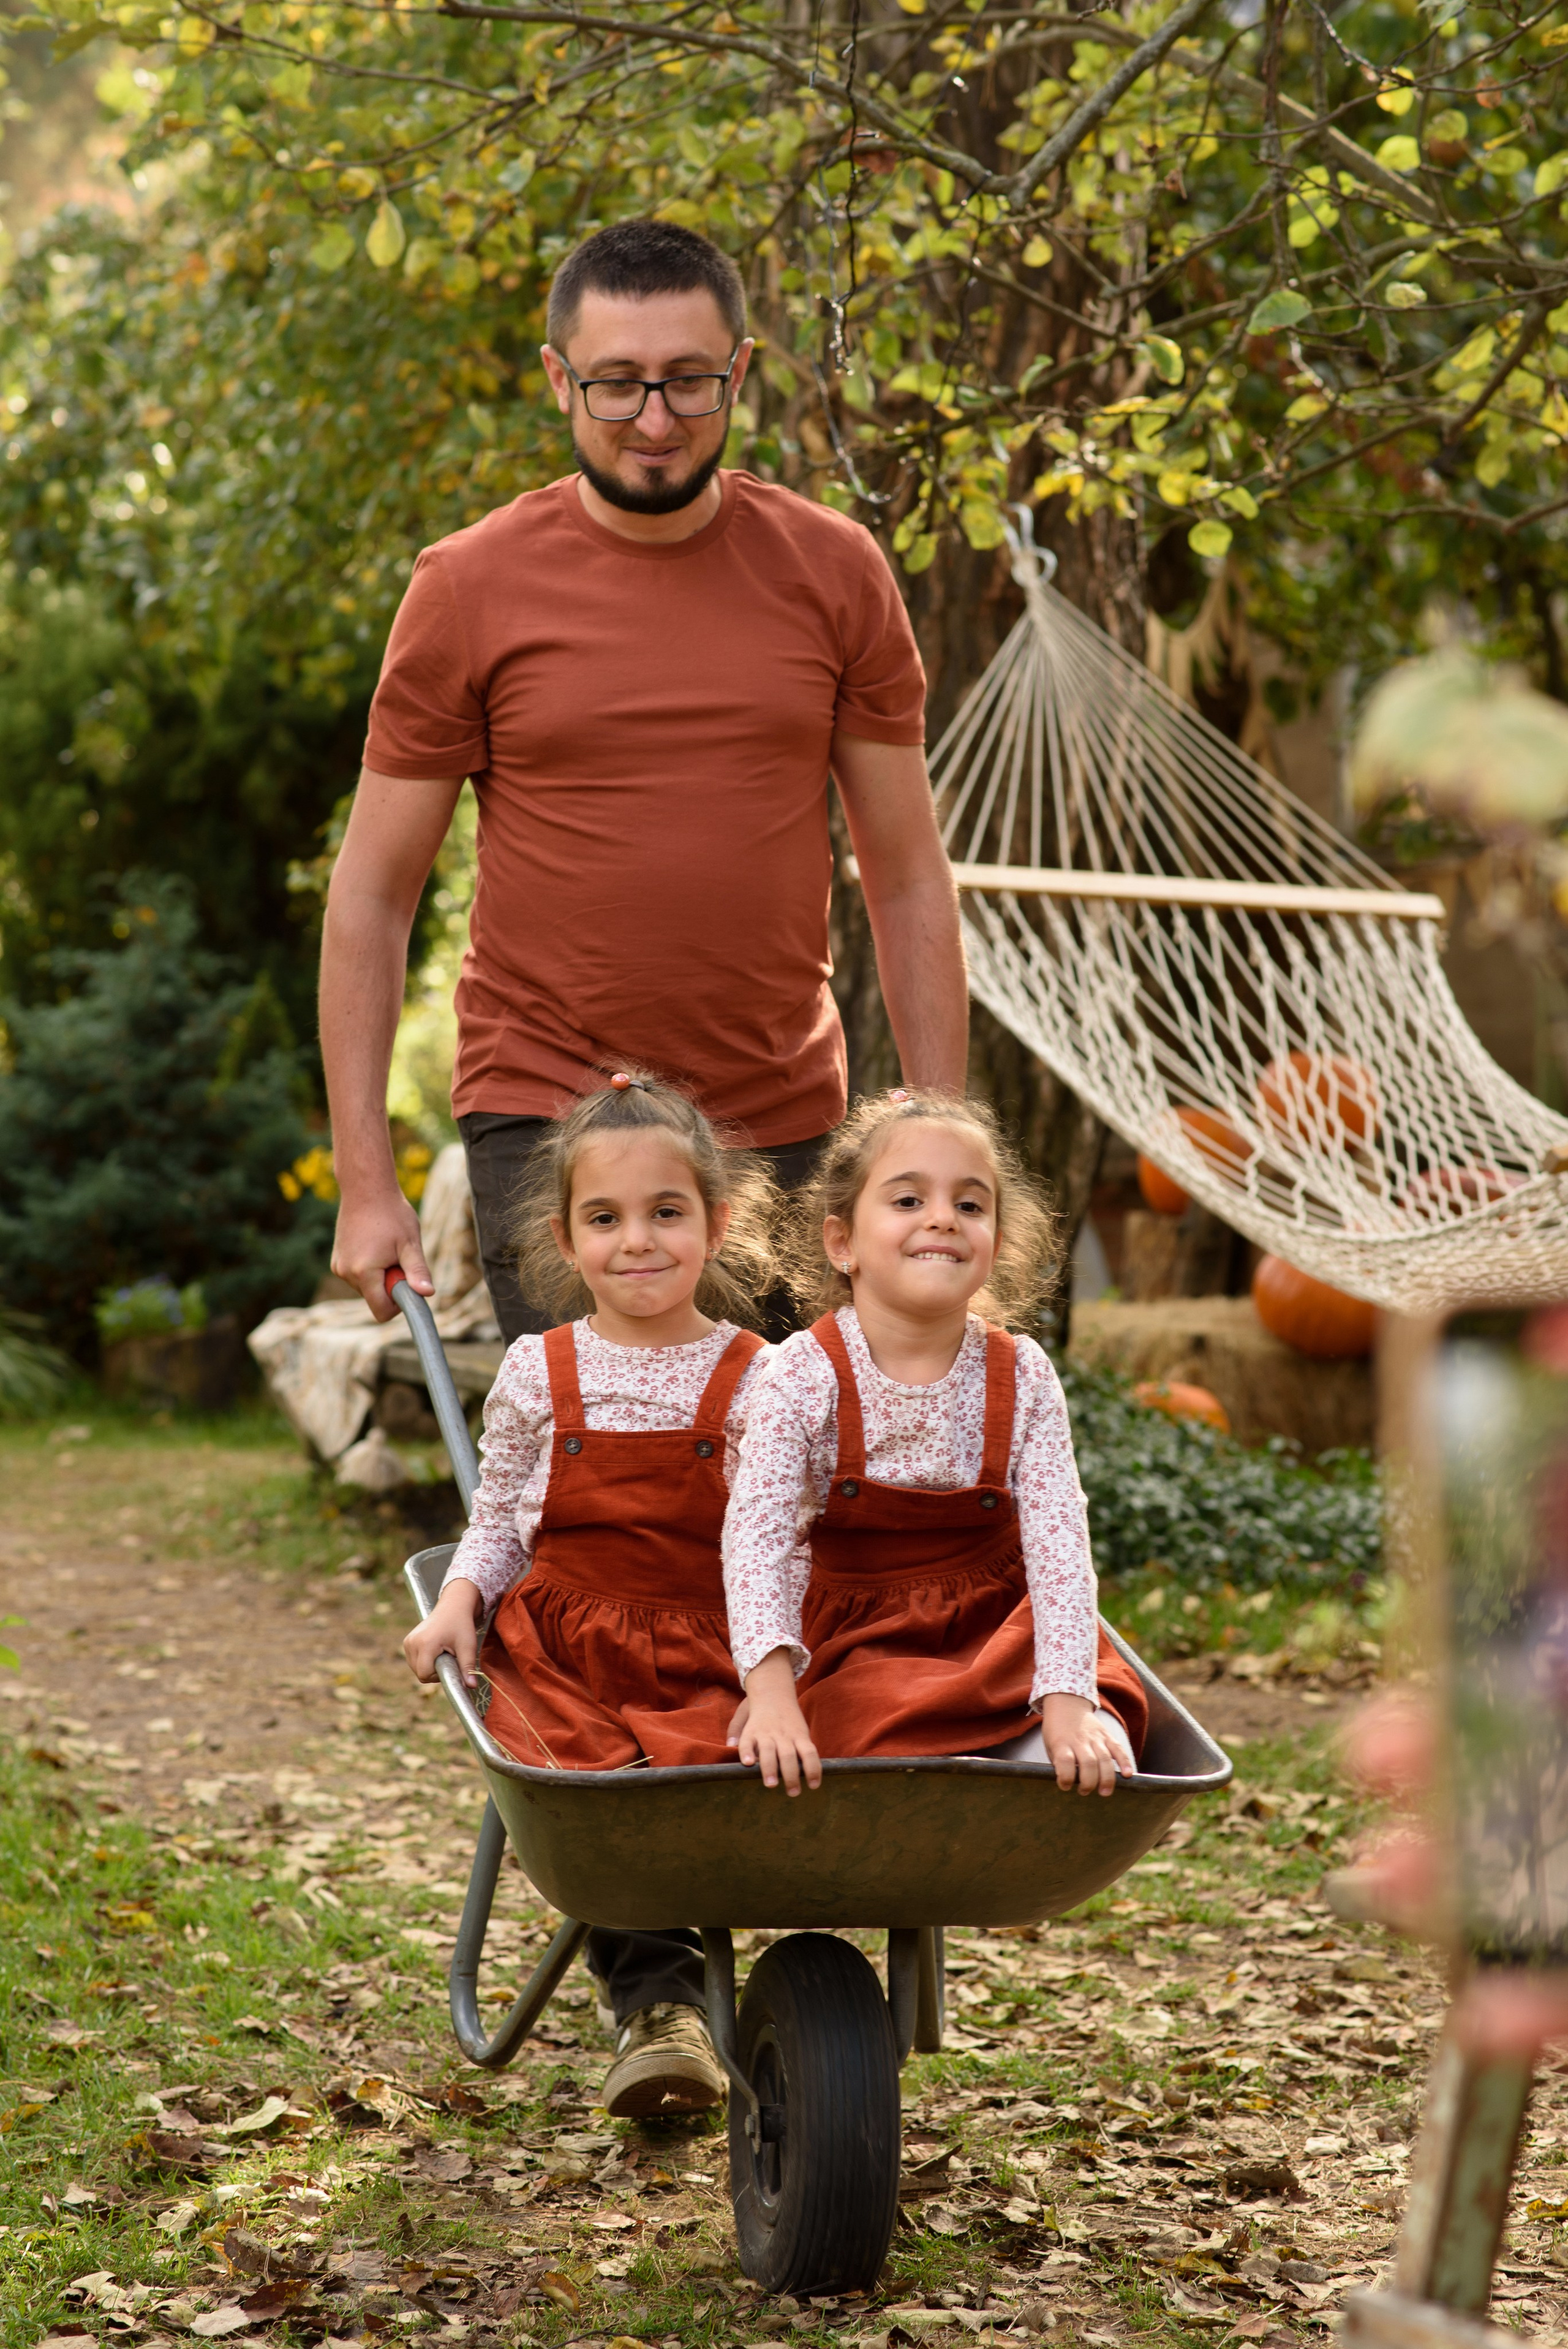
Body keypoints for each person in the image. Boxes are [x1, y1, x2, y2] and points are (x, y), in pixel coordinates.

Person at [320, 215, 968, 2113]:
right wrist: (370, 1176)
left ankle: (785, 1876)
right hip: (556, 1128)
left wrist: (925, 1140)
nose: (655, 412)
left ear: (738, 377)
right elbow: (370, 895)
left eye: (688, 376)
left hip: (783, 1126)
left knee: (815, 1509)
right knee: (621, 1519)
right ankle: (656, 1974)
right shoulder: (470, 588)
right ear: (560, 382)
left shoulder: (831, 576)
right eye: (618, 380)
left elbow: (906, 874)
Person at [403, 1073, 775, 2113]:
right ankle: (659, 2008)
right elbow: (501, 1521)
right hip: (571, 1645)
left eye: (667, 1213)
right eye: (605, 1219)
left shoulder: (761, 1373)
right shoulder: (538, 1367)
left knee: (738, 1771)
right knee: (594, 1794)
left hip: (713, 1637)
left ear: (716, 1224)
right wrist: (460, 1602)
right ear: (567, 1243)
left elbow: (778, 1537)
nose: (638, 1242)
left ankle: (791, 1987)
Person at [720, 1089, 1148, 1797]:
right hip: (863, 1640)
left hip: (994, 1633)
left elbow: (1059, 1545)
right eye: (908, 1201)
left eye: (970, 1205)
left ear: (996, 1244)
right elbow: (756, 1539)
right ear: (842, 1243)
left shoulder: (1022, 1375)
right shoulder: (802, 1370)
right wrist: (768, 1690)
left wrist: (1069, 1698)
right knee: (862, 1733)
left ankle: (1022, 1756)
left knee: (1094, 1749)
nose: (943, 1218)